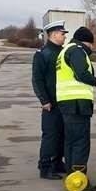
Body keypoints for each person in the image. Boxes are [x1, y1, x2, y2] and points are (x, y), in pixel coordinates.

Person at [56, 26, 96, 191]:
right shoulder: (77, 51)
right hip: (77, 105)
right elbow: (81, 74)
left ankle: (71, 175)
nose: (92, 49)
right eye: (91, 45)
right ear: (87, 43)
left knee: (71, 142)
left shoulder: (65, 51)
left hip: (67, 103)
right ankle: (79, 181)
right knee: (80, 143)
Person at [32, 20, 67, 179]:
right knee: (50, 136)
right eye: (62, 33)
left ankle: (57, 163)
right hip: (51, 103)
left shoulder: (64, 52)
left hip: (63, 101)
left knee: (61, 135)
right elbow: (37, 79)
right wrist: (44, 100)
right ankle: (45, 167)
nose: (64, 36)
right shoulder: (42, 54)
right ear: (53, 34)